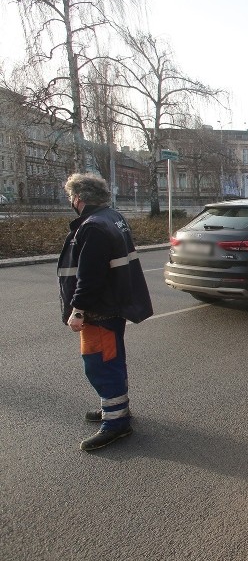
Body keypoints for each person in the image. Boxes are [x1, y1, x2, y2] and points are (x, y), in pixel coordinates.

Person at [58, 174, 153, 451]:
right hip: (113, 305)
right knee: (112, 359)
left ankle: (116, 423)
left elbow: (89, 276)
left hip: (99, 310)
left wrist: (78, 310)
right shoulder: (113, 217)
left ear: (78, 199)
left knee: (100, 363)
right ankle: (115, 408)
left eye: (70, 198)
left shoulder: (93, 226)